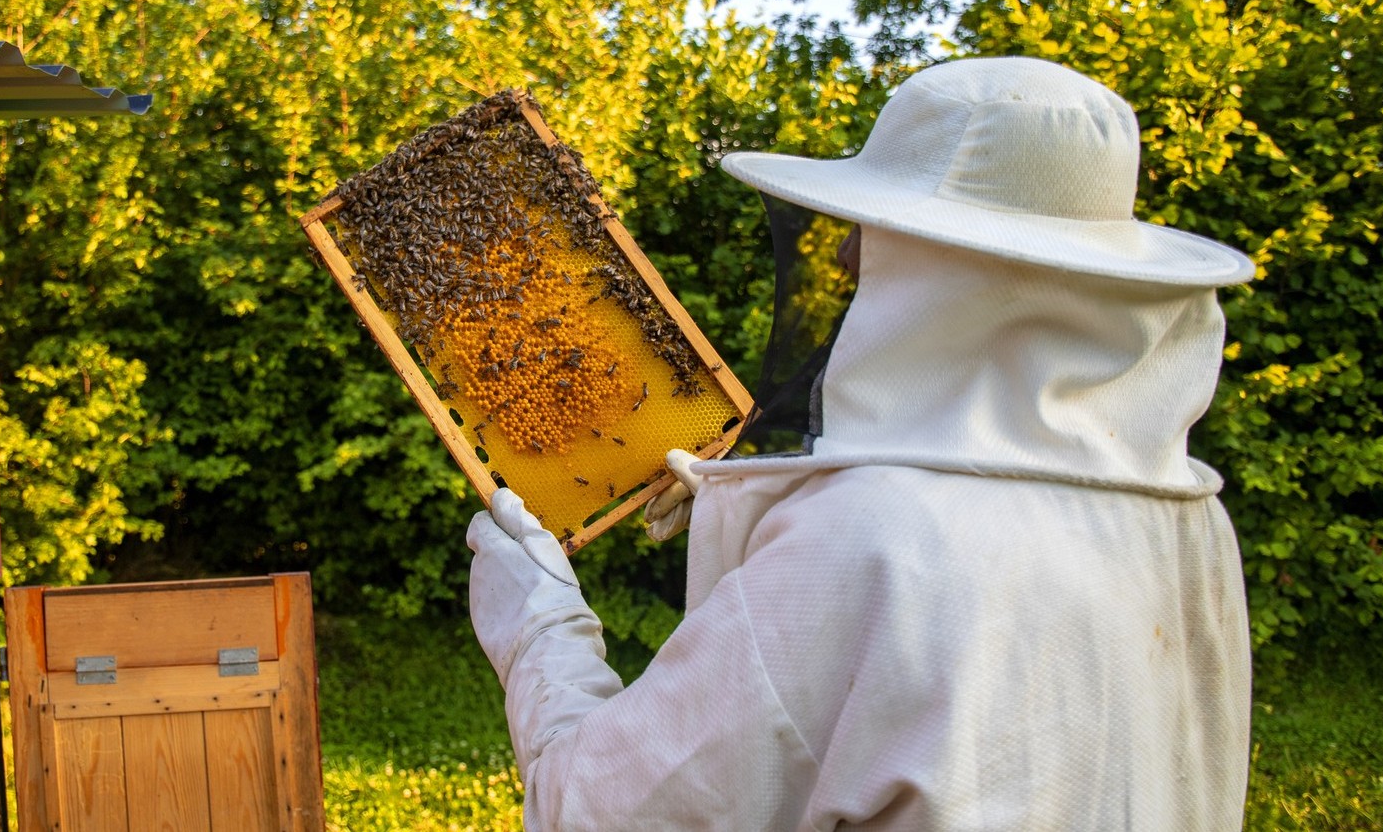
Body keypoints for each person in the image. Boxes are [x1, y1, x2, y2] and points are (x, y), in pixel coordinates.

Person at [466, 56, 1255, 830]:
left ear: (943, 263)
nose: (844, 254)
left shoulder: (865, 542)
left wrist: (538, 623)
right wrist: (749, 506)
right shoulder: (1189, 520)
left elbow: (594, 809)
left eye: (873, 229)